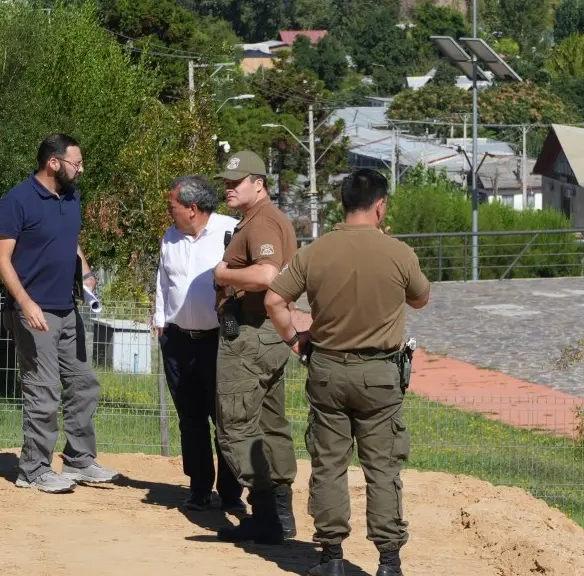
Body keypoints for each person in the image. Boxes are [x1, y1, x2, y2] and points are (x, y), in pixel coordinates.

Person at [264, 168, 430, 576]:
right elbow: (421, 299)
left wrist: (295, 340)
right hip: (380, 376)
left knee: (330, 466)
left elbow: (273, 301)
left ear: (342, 204)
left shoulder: (314, 252)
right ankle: (389, 562)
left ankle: (332, 558)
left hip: (327, 372)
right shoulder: (398, 252)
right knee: (383, 468)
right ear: (380, 205)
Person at [0, 133, 118, 494]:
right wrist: (26, 303)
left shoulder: (71, 196)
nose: (80, 170)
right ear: (53, 163)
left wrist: (86, 269)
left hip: (68, 309)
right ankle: (32, 469)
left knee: (83, 385)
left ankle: (79, 460)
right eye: (75, 163)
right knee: (43, 390)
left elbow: (69, 241)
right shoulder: (17, 201)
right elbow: (2, 258)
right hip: (35, 312)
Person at [211, 150, 298, 545]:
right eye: (226, 183)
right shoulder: (265, 219)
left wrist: (223, 274)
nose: (228, 188)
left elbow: (265, 274)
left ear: (258, 184)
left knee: (235, 423)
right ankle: (281, 514)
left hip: (249, 333)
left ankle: (265, 513)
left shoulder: (262, 222)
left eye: (236, 182)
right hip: (269, 335)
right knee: (270, 424)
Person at [154, 174, 246, 514]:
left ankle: (231, 491)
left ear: (193, 209)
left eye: (173, 206)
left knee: (224, 418)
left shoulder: (230, 232)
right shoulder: (170, 237)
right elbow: (163, 281)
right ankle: (199, 487)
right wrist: (160, 322)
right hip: (178, 342)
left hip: (218, 343)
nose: (169, 212)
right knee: (189, 419)